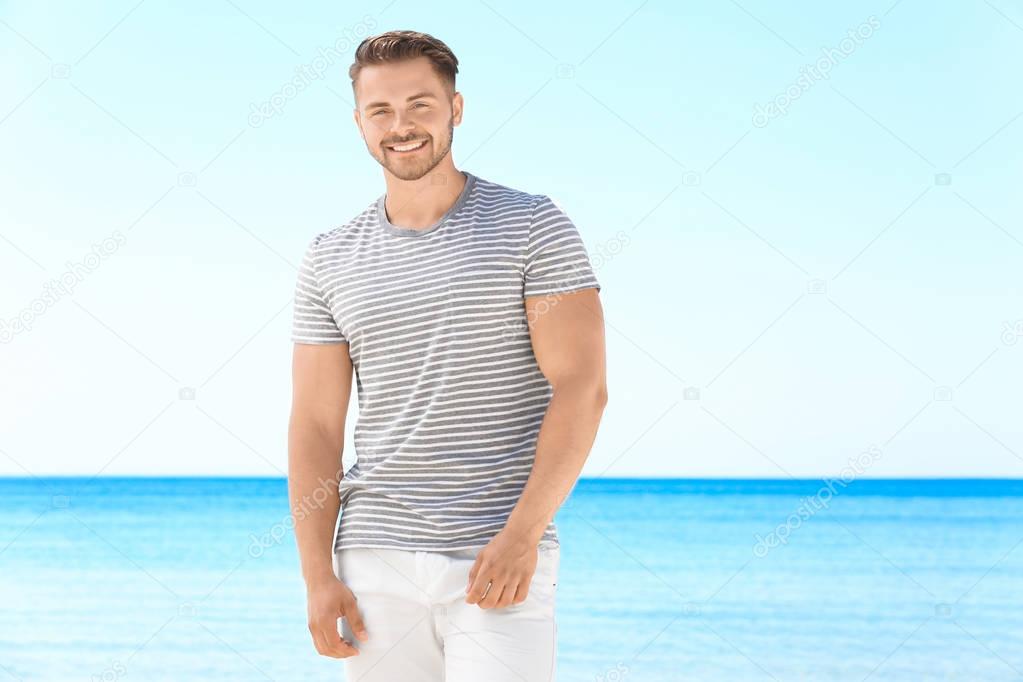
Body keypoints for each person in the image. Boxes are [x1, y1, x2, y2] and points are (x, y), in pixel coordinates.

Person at [287, 29, 607, 681]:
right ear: (358, 122)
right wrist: (317, 576)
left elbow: (582, 387)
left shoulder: (531, 225)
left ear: (454, 109)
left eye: (419, 105)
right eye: (380, 110)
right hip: (372, 556)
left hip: (496, 554)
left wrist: (523, 534)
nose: (400, 126)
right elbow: (315, 425)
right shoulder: (329, 256)